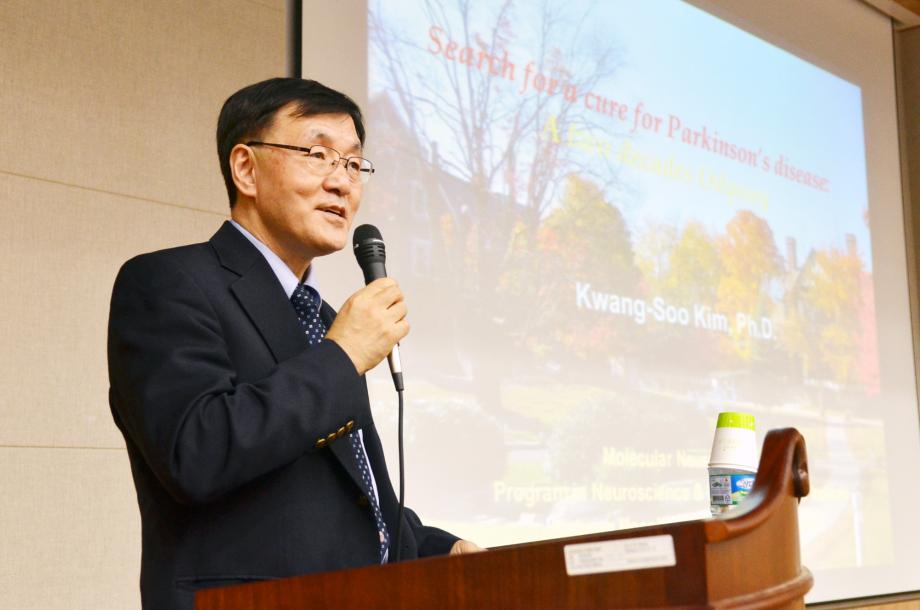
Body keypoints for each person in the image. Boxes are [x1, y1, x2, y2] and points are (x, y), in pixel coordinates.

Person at [107, 77, 481, 610]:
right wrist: (342, 357)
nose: (342, 182)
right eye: (318, 154)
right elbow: (195, 453)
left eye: (353, 163)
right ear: (246, 168)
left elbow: (350, 498)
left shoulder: (326, 321)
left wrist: (437, 550)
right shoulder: (168, 283)